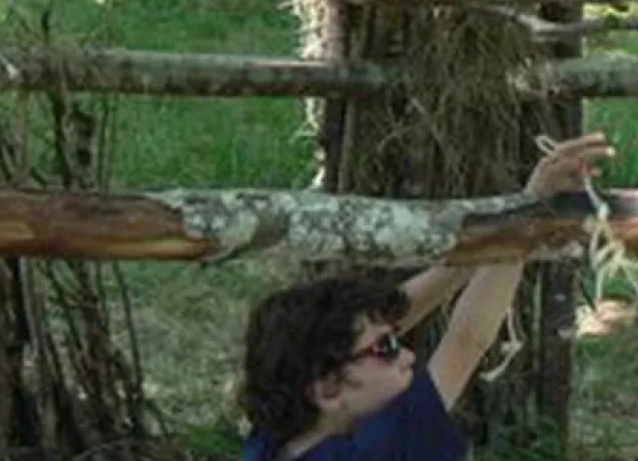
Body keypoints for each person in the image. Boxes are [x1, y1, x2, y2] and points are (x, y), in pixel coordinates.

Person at [238, 133, 616, 461]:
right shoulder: (380, 450)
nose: (408, 353)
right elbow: (467, 340)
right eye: (386, 348)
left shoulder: (273, 439)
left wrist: (480, 248)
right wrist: (524, 216)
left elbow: (392, 313)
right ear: (327, 389)